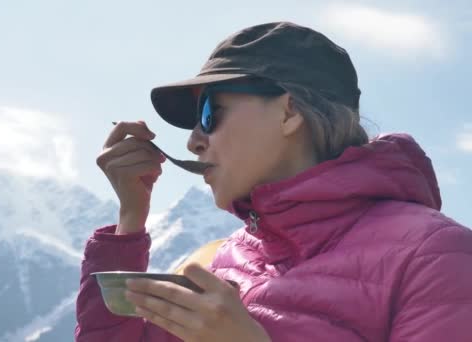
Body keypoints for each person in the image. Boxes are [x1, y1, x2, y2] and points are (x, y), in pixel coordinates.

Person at [74, 22, 472, 341]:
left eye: (210, 114)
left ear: (289, 112)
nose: (194, 140)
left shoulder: (437, 255)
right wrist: (129, 223)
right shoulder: (212, 262)